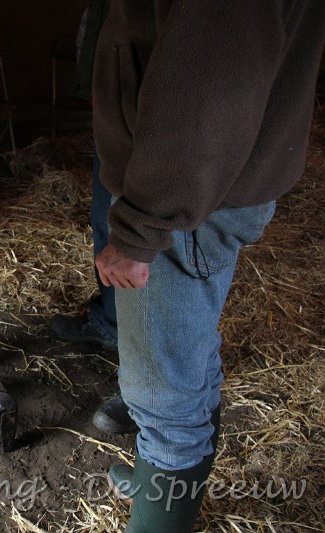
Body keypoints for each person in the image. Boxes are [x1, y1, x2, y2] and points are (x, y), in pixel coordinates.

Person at [91, 2, 325, 531]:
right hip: (208, 190)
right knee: (188, 353)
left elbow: (204, 91)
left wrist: (141, 228)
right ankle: (167, 487)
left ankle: (164, 507)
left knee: (162, 389)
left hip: (189, 199)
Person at [49, 0, 137, 434]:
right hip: (115, 120)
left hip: (148, 126)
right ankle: (110, 322)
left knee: (147, 251)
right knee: (106, 227)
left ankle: (148, 385)